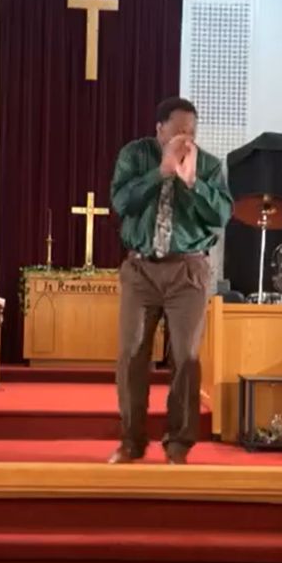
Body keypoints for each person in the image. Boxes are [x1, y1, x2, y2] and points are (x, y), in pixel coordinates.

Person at [107, 97, 232, 465]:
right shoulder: (135, 155)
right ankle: (131, 442)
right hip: (141, 269)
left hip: (188, 271)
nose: (186, 139)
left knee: (186, 358)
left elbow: (221, 214)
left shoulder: (207, 165)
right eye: (179, 131)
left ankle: (178, 444)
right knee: (132, 355)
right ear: (159, 130)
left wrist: (192, 182)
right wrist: (160, 172)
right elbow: (122, 202)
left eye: (192, 132)